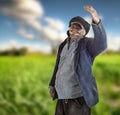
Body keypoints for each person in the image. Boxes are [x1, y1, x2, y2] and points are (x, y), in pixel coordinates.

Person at [49, 5, 107, 115]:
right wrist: (52, 85)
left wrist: (96, 20)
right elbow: (58, 67)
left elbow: (101, 44)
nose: (74, 29)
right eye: (72, 27)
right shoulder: (63, 45)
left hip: (78, 99)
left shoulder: (87, 44)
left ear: (84, 32)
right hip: (61, 97)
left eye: (78, 28)